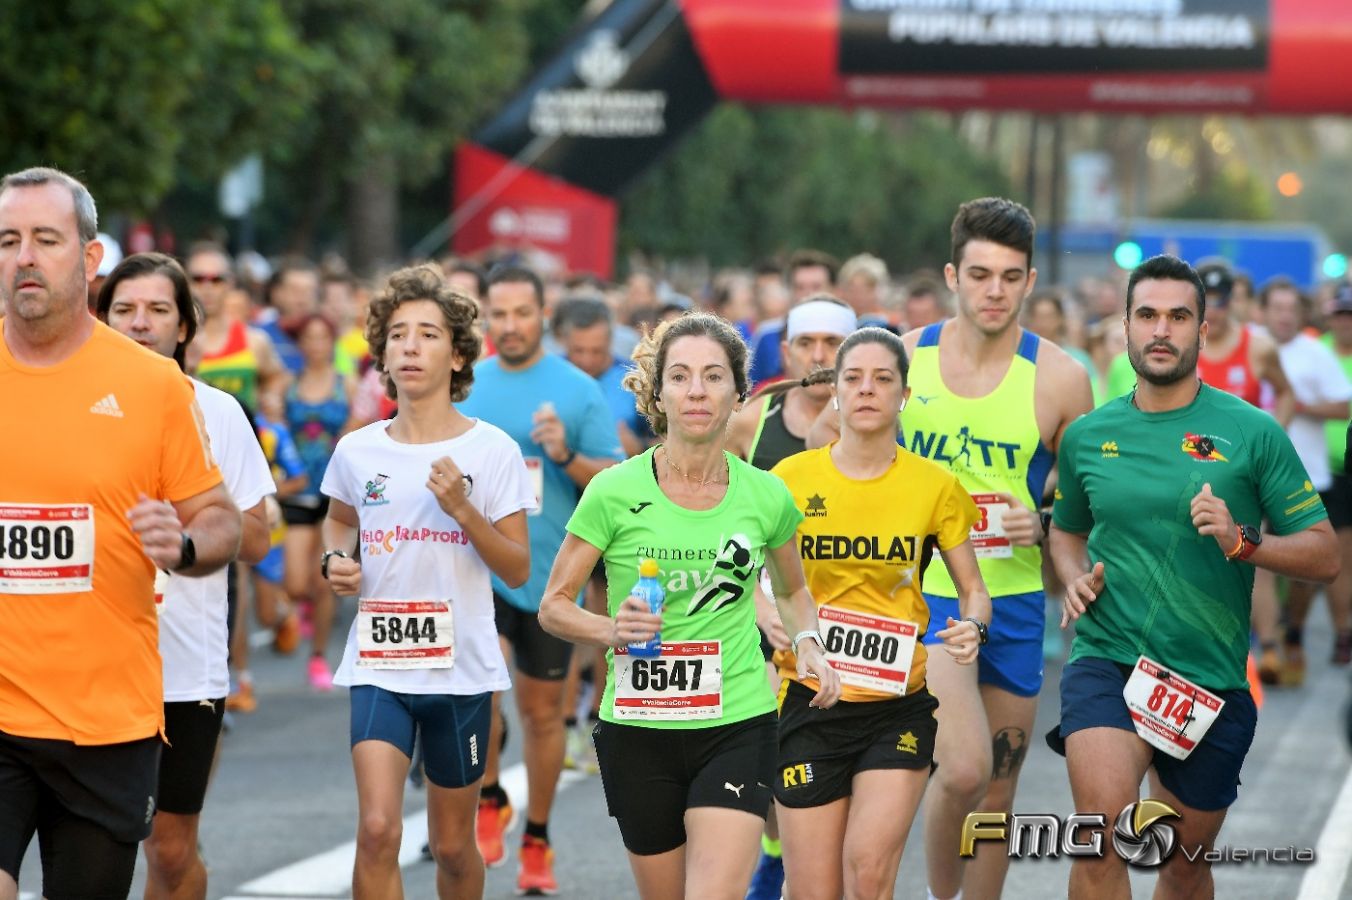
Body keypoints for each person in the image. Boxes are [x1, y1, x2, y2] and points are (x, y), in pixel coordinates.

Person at [805, 198, 1093, 900]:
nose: (994, 291)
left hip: (1015, 598)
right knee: (961, 770)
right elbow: (821, 441)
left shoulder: (1059, 378)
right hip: (921, 596)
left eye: (1010, 276)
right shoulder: (902, 356)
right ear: (952, 275)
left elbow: (1087, 493)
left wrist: (1046, 515)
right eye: (980, 274)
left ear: (1029, 283)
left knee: (996, 787)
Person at [1049, 254, 1339, 900]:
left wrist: (1243, 541)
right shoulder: (1089, 436)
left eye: (1178, 316)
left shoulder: (1252, 432)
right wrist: (1070, 573)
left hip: (1207, 676)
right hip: (1108, 656)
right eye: (1146, 315)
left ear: (1203, 331)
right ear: (1123, 326)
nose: (1161, 330)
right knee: (1100, 835)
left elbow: (1325, 555)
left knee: (1183, 867)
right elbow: (1065, 526)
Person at [538, 312, 841, 899]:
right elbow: (553, 606)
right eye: (679, 376)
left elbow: (794, 591)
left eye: (712, 376)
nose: (696, 390)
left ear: (738, 392)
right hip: (638, 726)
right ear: (659, 392)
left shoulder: (766, 494)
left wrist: (810, 644)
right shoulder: (614, 490)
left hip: (736, 720)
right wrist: (610, 629)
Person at [0, 166, 240, 899]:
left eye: (46, 238)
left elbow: (221, 518)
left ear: (91, 256)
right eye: (8, 240)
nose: (25, 257)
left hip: (107, 721)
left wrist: (187, 546)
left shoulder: (151, 385)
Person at [319, 263, 534, 897]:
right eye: (397, 335)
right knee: (379, 829)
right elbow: (337, 523)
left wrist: (464, 510)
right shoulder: (358, 451)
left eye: (428, 334)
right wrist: (337, 562)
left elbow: (518, 567)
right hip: (380, 664)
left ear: (460, 353)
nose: (410, 347)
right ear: (381, 353)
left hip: (461, 671)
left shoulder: (490, 450)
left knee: (450, 846)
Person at [768, 327, 990, 900]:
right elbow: (744, 576)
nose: (867, 390)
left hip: (897, 707)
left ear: (904, 396)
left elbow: (974, 590)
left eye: (883, 379)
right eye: (853, 378)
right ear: (836, 394)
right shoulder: (790, 480)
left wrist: (974, 627)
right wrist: (768, 614)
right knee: (814, 890)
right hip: (811, 699)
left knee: (868, 871)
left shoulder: (934, 485)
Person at [97, 252, 274, 900]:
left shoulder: (217, 413)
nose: (140, 323)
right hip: (87, 661)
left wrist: (197, 504)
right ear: (101, 319)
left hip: (184, 664)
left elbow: (256, 539)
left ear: (183, 328)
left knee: (169, 851)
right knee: (105, 844)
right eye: (124, 310)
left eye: (157, 310)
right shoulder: (67, 409)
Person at [456, 264, 623, 893]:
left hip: (551, 577)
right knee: (481, 690)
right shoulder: (465, 385)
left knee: (542, 715)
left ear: (541, 314)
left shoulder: (576, 390)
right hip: (480, 569)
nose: (509, 326)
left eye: (521, 313)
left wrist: (562, 455)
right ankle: (491, 792)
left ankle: (538, 835)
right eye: (497, 314)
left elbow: (613, 479)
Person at [725, 293, 856, 899]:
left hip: (850, 613)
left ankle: (803, 859)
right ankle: (778, 853)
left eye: (833, 343)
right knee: (775, 750)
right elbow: (721, 517)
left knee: (830, 758)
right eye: (808, 343)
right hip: (765, 607)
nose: (820, 355)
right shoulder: (753, 419)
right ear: (787, 349)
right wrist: (756, 600)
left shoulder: (874, 414)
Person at [1258, 277, 1352, 684]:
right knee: (1256, 556)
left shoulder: (1315, 353)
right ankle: (1269, 643)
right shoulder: (1252, 347)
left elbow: (1343, 407)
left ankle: (1290, 626)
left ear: (1301, 314)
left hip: (1307, 475)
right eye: (1276, 308)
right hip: (1255, 474)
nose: (1283, 316)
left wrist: (1300, 406)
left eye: (1291, 309)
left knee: (1302, 572)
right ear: (1264, 311)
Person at [282, 312, 360, 690]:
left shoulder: (347, 384)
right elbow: (276, 433)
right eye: (309, 338)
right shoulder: (288, 385)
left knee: (325, 576)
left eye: (322, 338)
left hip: (335, 492)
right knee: (297, 583)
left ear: (332, 343)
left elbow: (358, 431)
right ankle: (304, 608)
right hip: (298, 490)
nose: (316, 345)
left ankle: (317, 657)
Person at [186, 242, 288, 410]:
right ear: (185, 281)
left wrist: (271, 399)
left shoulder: (254, 341)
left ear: (231, 282)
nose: (207, 287)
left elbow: (277, 377)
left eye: (216, 279)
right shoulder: (174, 342)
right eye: (198, 279)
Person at [1320, 282, 1352, 666]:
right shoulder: (1317, 351)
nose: (1346, 321)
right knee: (1341, 554)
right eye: (1341, 313)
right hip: (1328, 471)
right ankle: (1343, 631)